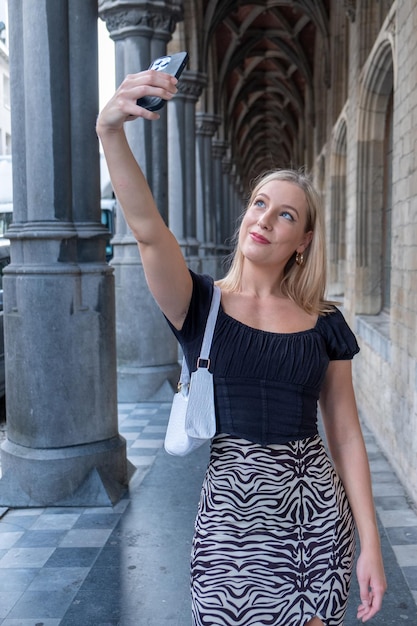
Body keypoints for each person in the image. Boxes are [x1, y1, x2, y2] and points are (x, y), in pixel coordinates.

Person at [96, 68, 387, 626]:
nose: (265, 219)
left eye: (286, 214)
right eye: (259, 203)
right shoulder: (198, 304)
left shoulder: (324, 322)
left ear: (302, 243)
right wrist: (110, 130)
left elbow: (346, 435)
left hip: (313, 518)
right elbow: (149, 230)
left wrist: (369, 541)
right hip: (230, 521)